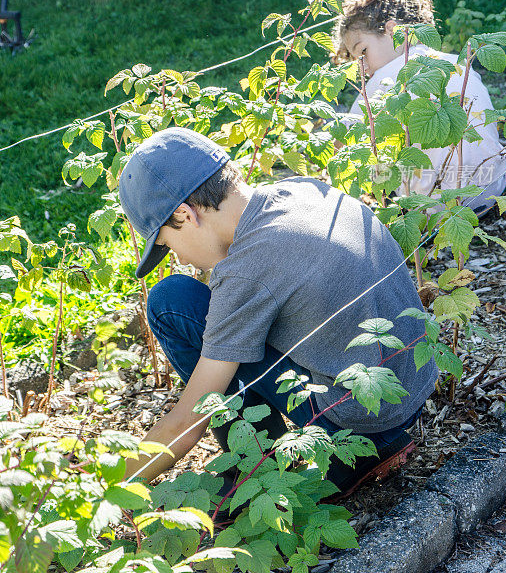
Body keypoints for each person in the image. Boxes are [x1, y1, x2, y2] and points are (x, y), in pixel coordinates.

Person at [119, 127, 437, 495]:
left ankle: (259, 466)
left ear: (185, 215)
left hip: (360, 417)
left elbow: (186, 424)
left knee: (170, 301)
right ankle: (367, 446)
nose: (177, 257)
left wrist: (102, 492)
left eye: (167, 243)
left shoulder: (247, 270)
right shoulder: (302, 190)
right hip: (411, 387)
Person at [332, 0, 506, 213]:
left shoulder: (384, 80)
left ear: (393, 30)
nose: (363, 68)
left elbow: (344, 144)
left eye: (363, 52)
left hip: (433, 207)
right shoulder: (454, 64)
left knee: (372, 157)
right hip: (490, 192)